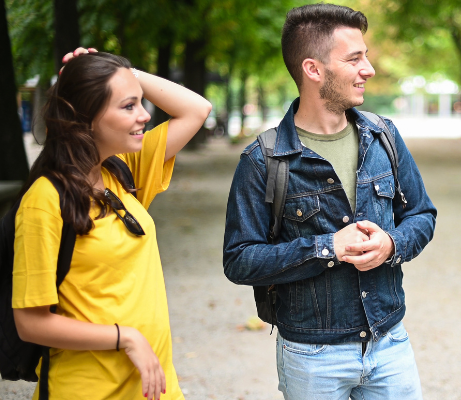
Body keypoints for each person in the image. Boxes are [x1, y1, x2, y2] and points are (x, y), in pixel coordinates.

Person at [223, 4, 437, 399]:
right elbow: (240, 260)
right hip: (311, 356)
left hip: (390, 343)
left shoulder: (383, 136)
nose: (368, 69)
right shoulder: (263, 160)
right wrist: (327, 248)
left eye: (366, 56)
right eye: (355, 59)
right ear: (314, 70)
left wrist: (391, 244)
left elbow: (422, 215)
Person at [12, 48, 212, 400]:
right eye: (128, 106)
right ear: (86, 117)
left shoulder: (121, 172)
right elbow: (30, 322)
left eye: (140, 103)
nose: (145, 115)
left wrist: (121, 69)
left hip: (156, 388)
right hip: (89, 391)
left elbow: (196, 109)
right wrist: (126, 337)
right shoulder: (44, 200)